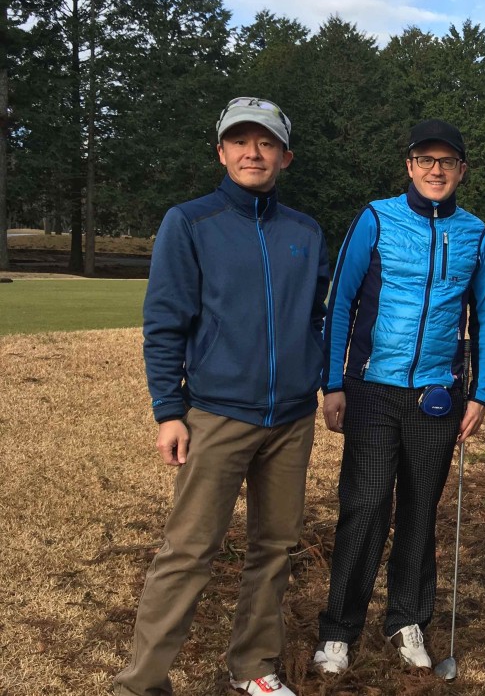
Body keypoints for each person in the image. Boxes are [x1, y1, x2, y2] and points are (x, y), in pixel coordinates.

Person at [115, 97, 328, 696]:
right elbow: (164, 323)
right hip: (214, 415)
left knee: (276, 548)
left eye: (265, 143)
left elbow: (317, 316)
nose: (252, 153)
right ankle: (143, 683)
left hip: (290, 419)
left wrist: (312, 373)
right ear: (221, 151)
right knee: (188, 552)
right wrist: (168, 411)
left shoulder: (305, 231)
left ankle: (254, 668)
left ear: (285, 156)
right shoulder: (190, 222)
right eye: (240, 141)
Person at [312, 119, 485, 674]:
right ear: (409, 166)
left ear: (461, 170)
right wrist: (335, 382)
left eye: (447, 161)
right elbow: (340, 303)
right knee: (366, 505)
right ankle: (339, 630)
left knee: (420, 512)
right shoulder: (376, 218)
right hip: (372, 390)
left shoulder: (476, 233)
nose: (435, 170)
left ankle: (406, 619)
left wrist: (480, 395)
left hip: (437, 397)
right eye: (425, 160)